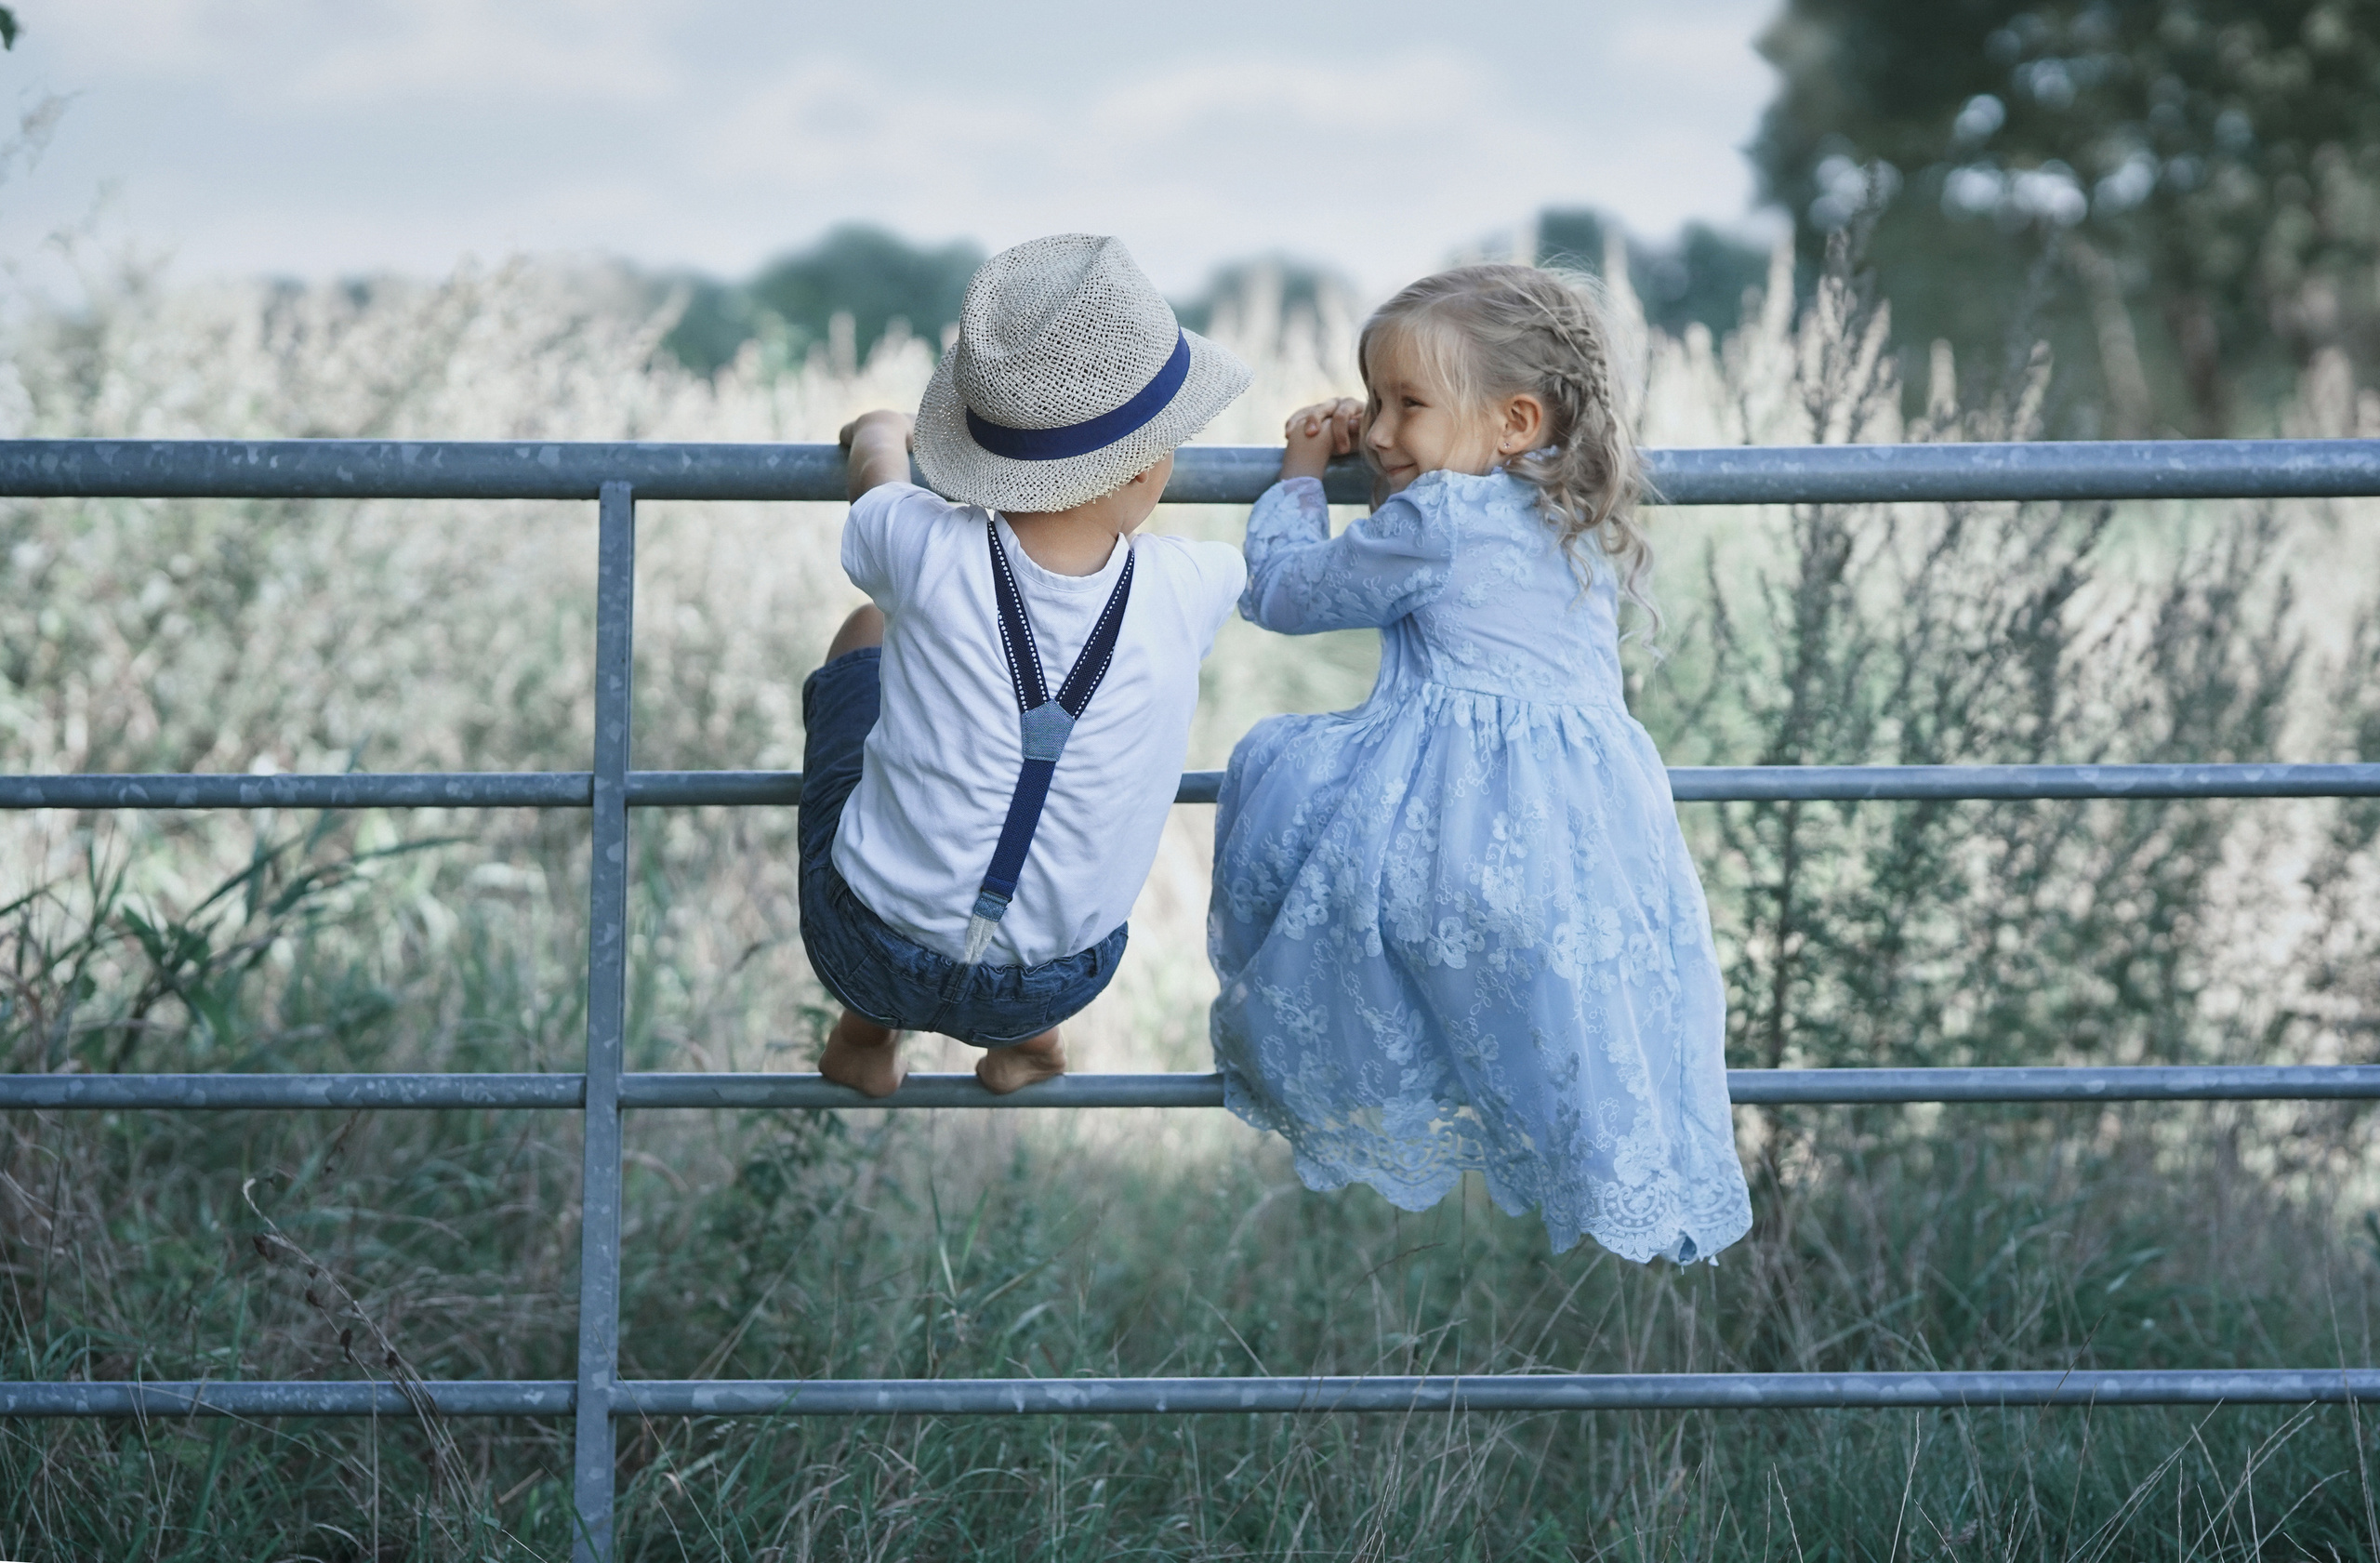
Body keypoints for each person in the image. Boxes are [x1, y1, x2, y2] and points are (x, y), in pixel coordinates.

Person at [1208, 264, 1752, 1263]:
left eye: (1406, 405)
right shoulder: (1575, 512)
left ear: (1512, 421)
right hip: (1587, 837)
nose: (1372, 434)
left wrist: (1296, 478)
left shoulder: (1438, 520)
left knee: (1274, 772)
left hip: (1451, 819)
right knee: (1558, 1016)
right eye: (1371, 401)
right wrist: (1406, 456)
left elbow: (1283, 594)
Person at [804, 233, 1250, 1098]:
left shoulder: (923, 543)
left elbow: (877, 489)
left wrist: (881, 430)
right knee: (1054, 817)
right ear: (1153, 464)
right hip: (1064, 974)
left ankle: (864, 1038)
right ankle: (1033, 1045)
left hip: (869, 950)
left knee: (867, 631)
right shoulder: (1191, 582)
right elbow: (1257, 561)